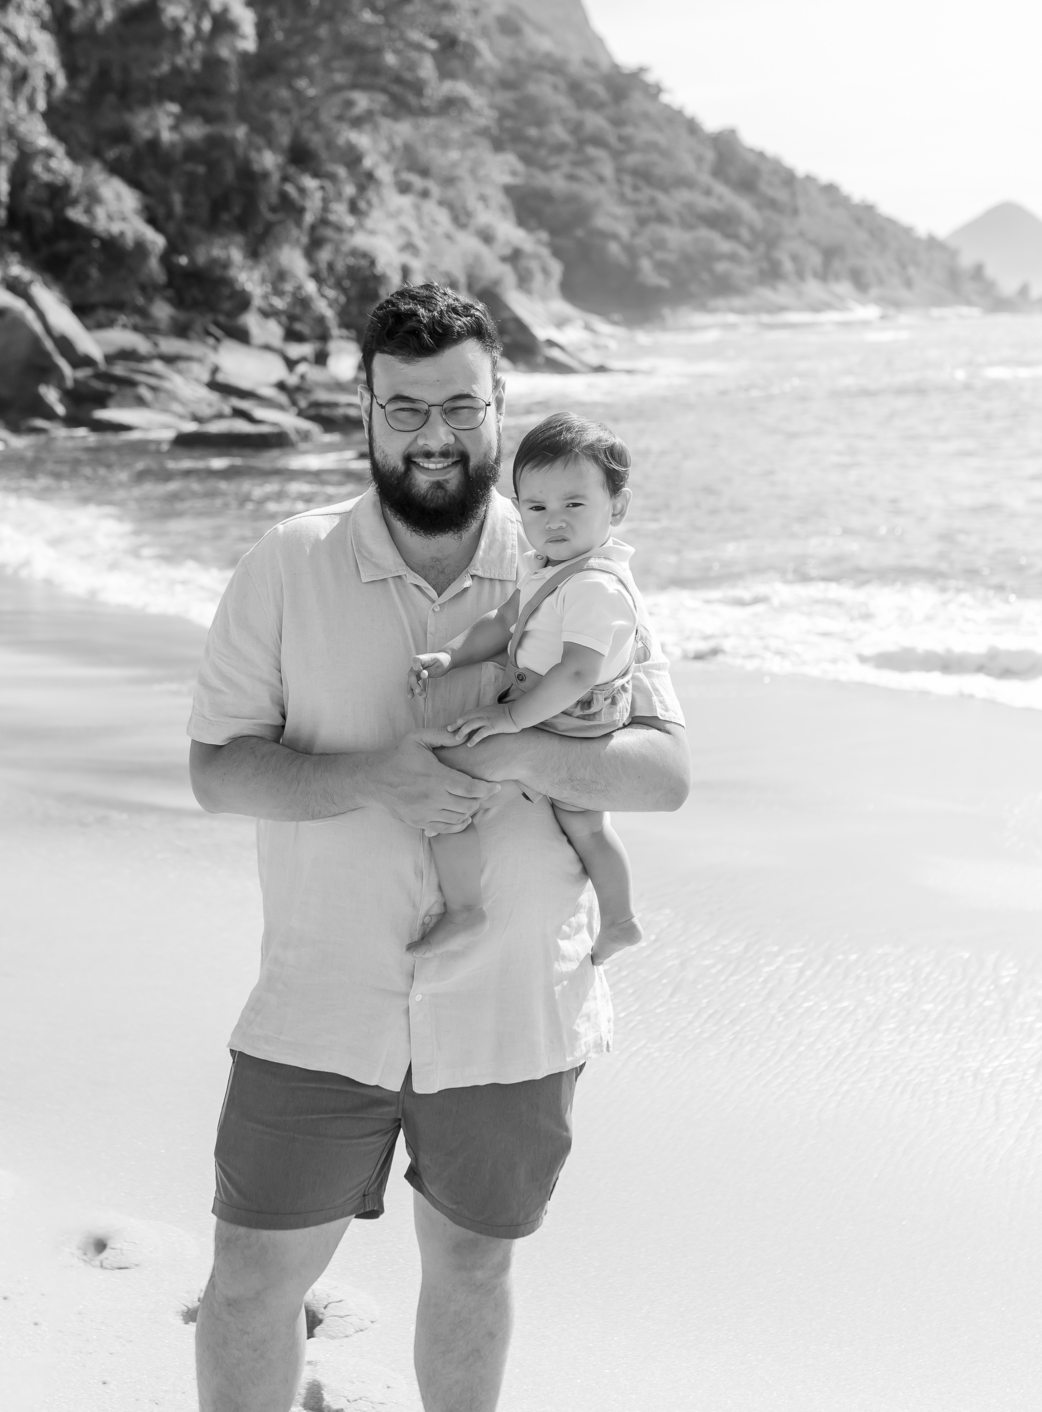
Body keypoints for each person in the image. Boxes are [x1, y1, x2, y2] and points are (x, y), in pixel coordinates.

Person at [187, 282, 690, 1412]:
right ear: (362, 407)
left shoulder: (575, 558)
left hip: (517, 1006)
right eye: (405, 408)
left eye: (460, 407)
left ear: (499, 401)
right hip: (321, 998)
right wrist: (377, 777)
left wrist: (516, 757)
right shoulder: (285, 563)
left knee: (472, 1264)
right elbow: (219, 769)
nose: (435, 435)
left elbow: (665, 774)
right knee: (252, 1277)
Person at [407, 411, 645, 966]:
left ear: (618, 506)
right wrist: (451, 655)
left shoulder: (594, 586)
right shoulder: (547, 567)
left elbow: (579, 672)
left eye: (574, 505)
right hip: (564, 706)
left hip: (571, 712)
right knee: (584, 824)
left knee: (441, 778)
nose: (554, 521)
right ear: (518, 509)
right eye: (536, 507)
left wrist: (509, 721)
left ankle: (466, 908)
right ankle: (622, 919)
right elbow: (502, 621)